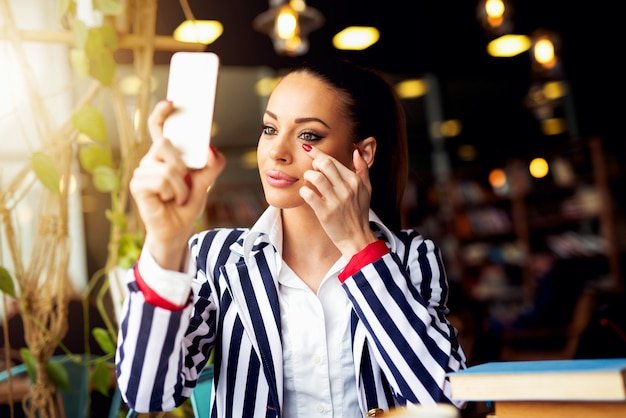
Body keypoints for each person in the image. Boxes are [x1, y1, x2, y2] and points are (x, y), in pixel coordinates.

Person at [115, 58, 467, 417]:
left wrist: (361, 248)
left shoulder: (409, 257)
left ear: (362, 153)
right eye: (269, 129)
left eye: (308, 135)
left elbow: (445, 398)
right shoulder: (217, 257)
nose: (277, 152)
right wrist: (164, 239)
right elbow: (147, 396)